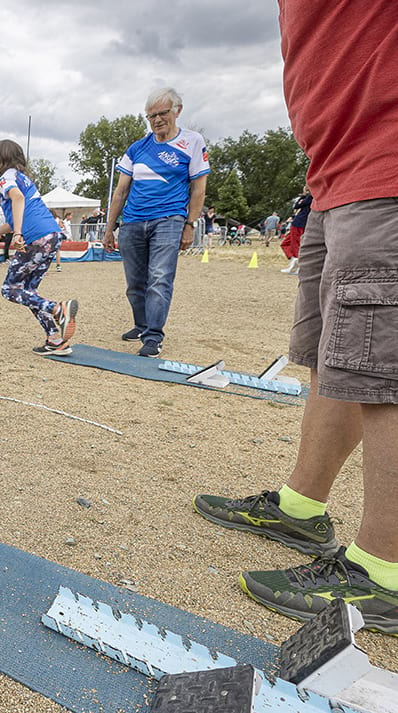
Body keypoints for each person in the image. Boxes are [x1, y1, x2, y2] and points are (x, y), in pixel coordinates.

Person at [194, 1, 398, 635]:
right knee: (336, 355)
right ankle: (302, 506)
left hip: (383, 159)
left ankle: (385, 569)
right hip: (334, 174)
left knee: (385, 367)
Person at [102, 87, 209, 358]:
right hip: (133, 221)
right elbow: (121, 191)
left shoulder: (193, 142)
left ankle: (153, 337)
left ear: (177, 111)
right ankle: (141, 325)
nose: (157, 120)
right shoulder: (137, 148)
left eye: (163, 113)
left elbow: (199, 188)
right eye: (151, 116)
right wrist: (109, 228)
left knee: (159, 279)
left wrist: (190, 224)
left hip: (169, 219)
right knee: (135, 283)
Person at [0, 139, 77, 355]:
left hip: (35, 237)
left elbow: (16, 199)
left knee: (9, 290)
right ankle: (55, 340)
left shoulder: (6, 177)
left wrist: (18, 234)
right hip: (51, 236)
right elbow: (11, 220)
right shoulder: (22, 178)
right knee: (28, 291)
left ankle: (57, 308)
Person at [280, 184, 312, 274]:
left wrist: (304, 194)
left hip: (300, 223)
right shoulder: (310, 198)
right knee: (286, 243)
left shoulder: (310, 198)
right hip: (299, 222)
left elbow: (297, 205)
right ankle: (293, 262)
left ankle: (297, 266)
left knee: (295, 244)